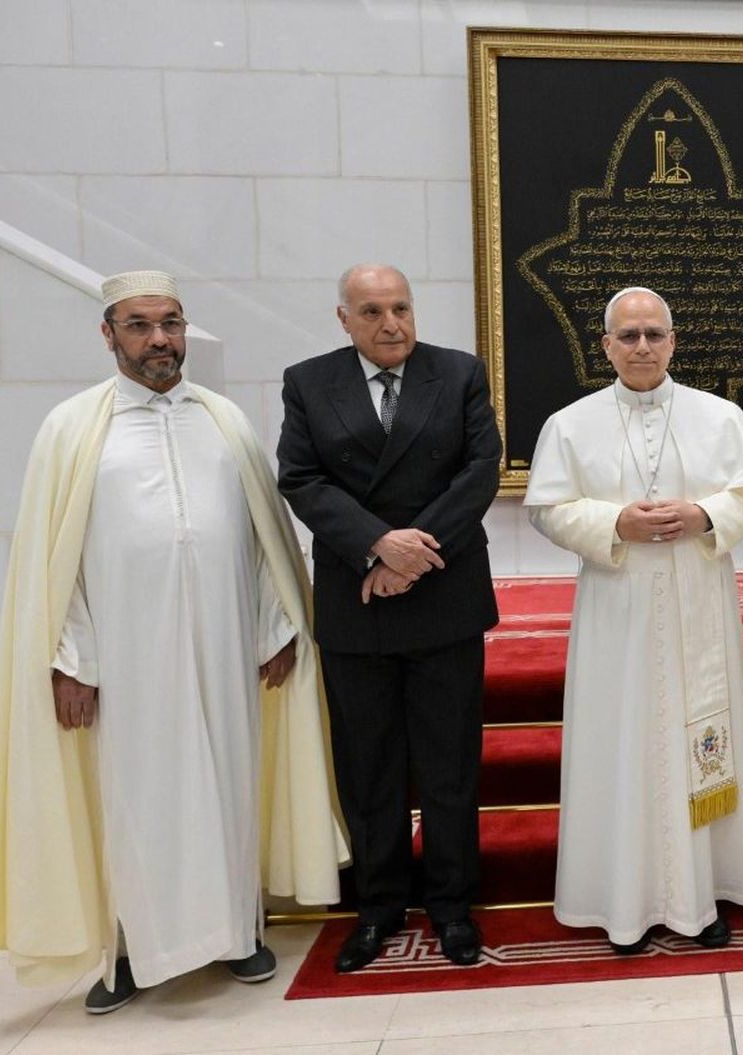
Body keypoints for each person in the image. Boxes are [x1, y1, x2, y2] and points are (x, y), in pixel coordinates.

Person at [0, 271, 343, 1013]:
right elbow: (59, 562)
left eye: (172, 324)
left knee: (227, 777)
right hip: (125, 657)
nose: (160, 340)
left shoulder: (224, 421)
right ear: (109, 334)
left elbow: (262, 542)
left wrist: (273, 627)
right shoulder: (72, 428)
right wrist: (73, 661)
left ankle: (236, 930)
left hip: (223, 648)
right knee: (132, 793)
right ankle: (126, 948)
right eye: (141, 325)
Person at [524, 286, 743, 953]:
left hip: (699, 601)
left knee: (699, 739)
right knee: (624, 743)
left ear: (673, 340)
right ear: (604, 345)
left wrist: (703, 514)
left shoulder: (720, 417)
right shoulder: (570, 424)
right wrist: (616, 521)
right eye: (627, 336)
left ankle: (706, 893)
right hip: (618, 608)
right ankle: (624, 902)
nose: (640, 346)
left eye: (653, 334)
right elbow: (547, 508)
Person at [277, 264, 500, 972]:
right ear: (344, 319)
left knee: (448, 764)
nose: (391, 323)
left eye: (400, 307)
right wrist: (377, 542)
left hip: (444, 594)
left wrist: (409, 552)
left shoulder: (459, 373)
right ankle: (377, 908)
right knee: (368, 767)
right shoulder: (308, 382)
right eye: (371, 311)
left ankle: (452, 904)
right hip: (356, 601)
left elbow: (481, 469)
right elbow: (300, 477)